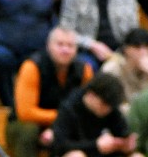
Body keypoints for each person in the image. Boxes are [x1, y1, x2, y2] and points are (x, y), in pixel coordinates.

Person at [10, 27, 94, 157]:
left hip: (66, 124)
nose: (65, 50)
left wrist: (60, 125)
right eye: (60, 45)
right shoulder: (32, 67)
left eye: (70, 46)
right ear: (48, 46)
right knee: (28, 130)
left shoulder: (84, 70)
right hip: (27, 125)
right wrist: (63, 118)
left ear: (77, 49)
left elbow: (86, 108)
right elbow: (25, 113)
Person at [50, 73, 137, 157]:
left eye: (110, 107)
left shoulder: (111, 109)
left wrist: (126, 144)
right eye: (103, 104)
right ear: (91, 95)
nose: (107, 110)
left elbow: (123, 134)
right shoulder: (69, 108)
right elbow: (61, 145)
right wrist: (95, 146)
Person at [99, 28, 148, 112]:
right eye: (137, 47)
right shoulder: (112, 68)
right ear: (126, 49)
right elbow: (105, 102)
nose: (143, 52)